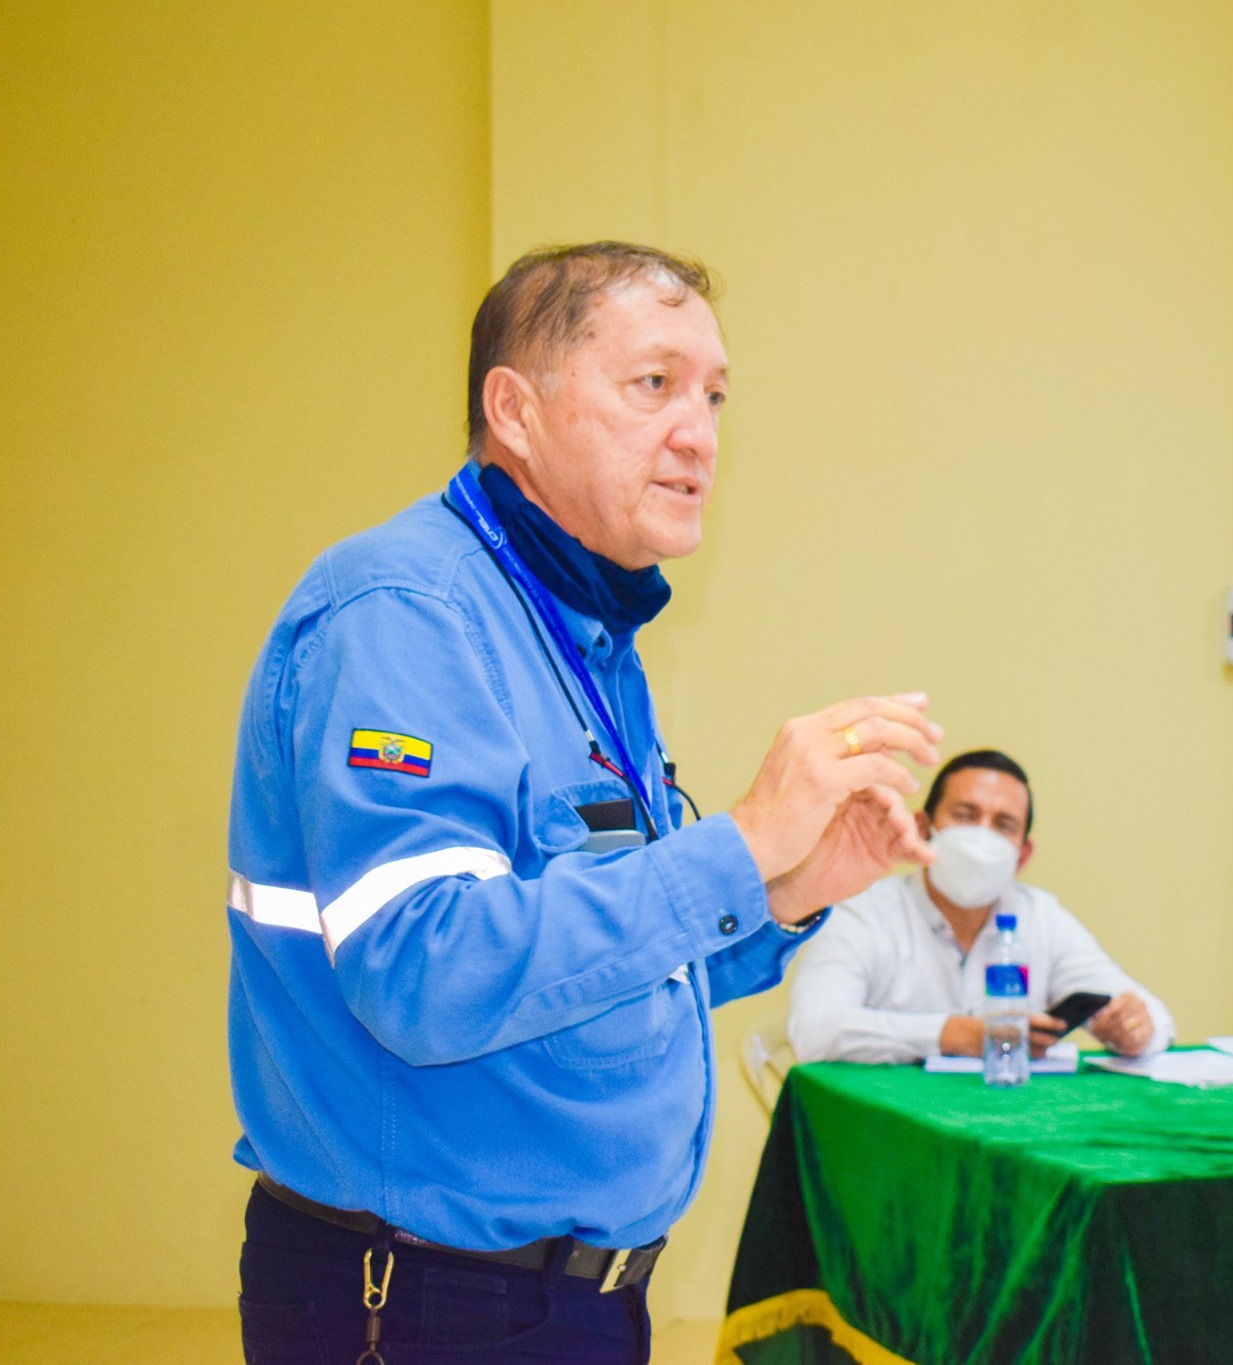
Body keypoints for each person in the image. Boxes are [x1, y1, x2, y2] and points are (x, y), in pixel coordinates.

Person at [225, 242, 944, 1363]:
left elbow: (605, 980)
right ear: (514, 411)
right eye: (654, 384)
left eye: (714, 396)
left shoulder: (583, 632)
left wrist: (786, 886)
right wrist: (740, 840)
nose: (699, 433)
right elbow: (424, 970)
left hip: (571, 1299)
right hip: (420, 1300)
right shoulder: (404, 612)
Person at [788, 749, 1175, 1063]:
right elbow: (814, 1030)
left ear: (1023, 855)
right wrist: (952, 1034)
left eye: (1004, 825)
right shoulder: (863, 913)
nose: (981, 837)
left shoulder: (1042, 918)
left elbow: (1155, 1018)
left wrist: (1134, 1031)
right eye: (965, 815)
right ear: (922, 829)